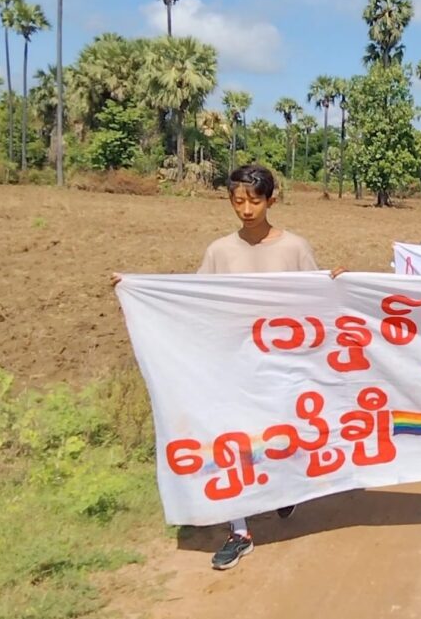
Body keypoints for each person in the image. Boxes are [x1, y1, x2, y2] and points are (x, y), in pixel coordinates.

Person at [112, 164, 346, 571]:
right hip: (231, 364)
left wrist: (339, 282)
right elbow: (198, 299)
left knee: (280, 432)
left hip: (280, 363)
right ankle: (240, 531)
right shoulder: (219, 251)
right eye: (238, 201)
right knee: (232, 437)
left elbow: (316, 298)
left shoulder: (294, 247)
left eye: (255, 200)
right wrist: (136, 288)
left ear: (272, 200)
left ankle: (283, 489)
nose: (246, 209)